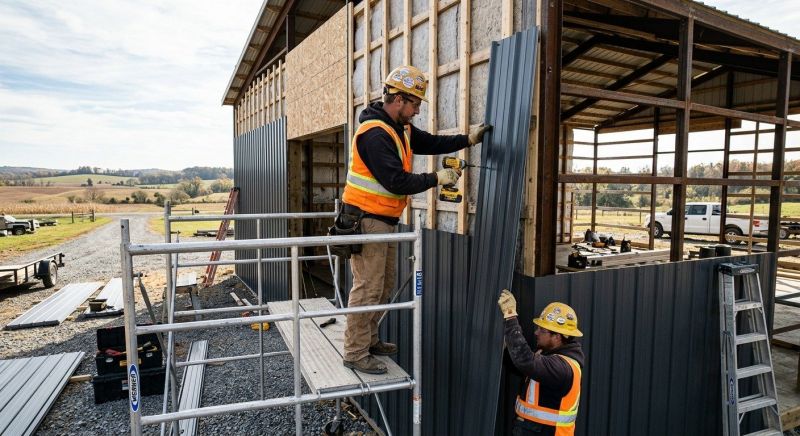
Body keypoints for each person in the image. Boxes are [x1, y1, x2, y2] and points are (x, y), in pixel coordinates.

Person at [340, 65, 492, 374]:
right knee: (368, 288)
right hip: (366, 221)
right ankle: (355, 352)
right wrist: (437, 177)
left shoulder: (401, 128)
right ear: (397, 99)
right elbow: (397, 181)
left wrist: (468, 139)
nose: (418, 110)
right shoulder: (373, 135)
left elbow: (432, 143)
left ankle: (369, 340)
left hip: (384, 222)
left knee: (383, 287)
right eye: (415, 103)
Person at [497, 290, 585, 436]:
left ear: (557, 336)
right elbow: (524, 366)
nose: (536, 333)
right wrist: (507, 348)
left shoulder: (562, 368)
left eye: (542, 330)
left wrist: (510, 315)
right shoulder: (548, 355)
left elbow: (526, 361)